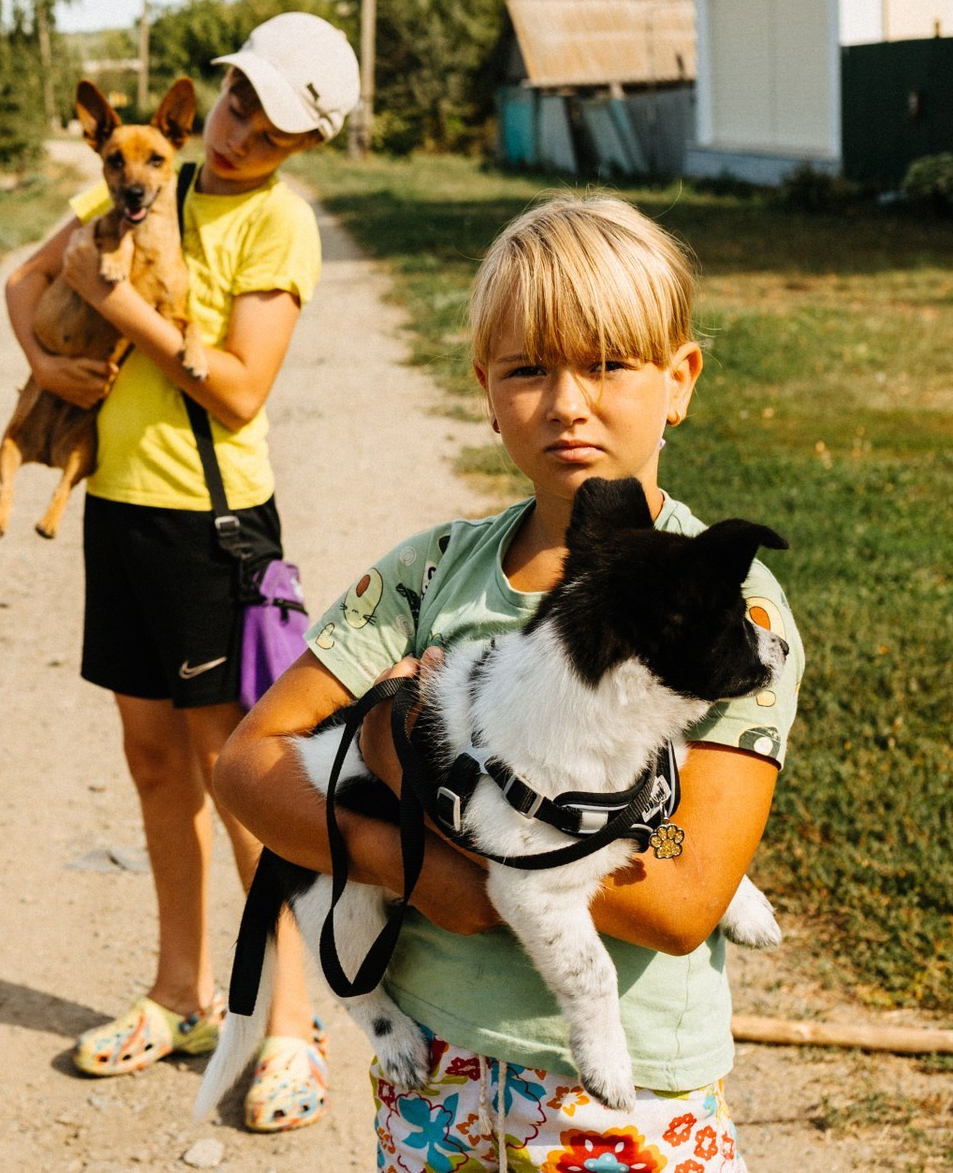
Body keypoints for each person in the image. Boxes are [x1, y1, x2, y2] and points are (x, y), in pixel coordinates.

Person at [213, 194, 806, 1171]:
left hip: (630, 1097)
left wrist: (418, 776)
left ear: (679, 378)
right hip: (435, 1071)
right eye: (529, 369)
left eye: (608, 363)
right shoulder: (426, 575)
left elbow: (684, 898)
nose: (567, 402)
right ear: (486, 389)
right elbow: (246, 767)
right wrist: (416, 873)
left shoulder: (727, 604)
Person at [3, 13, 362, 1133]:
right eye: (240, 101)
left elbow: (241, 389)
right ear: (218, 89)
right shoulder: (143, 181)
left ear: (308, 146)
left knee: (238, 775)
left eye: (276, 126)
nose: (244, 132)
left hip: (213, 527)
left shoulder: (277, 226)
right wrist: (44, 357)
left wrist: (115, 308)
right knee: (154, 761)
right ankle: (182, 993)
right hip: (119, 512)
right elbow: (27, 280)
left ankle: (291, 1030)